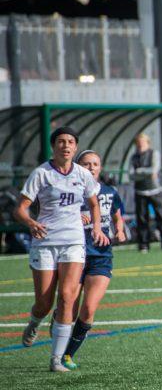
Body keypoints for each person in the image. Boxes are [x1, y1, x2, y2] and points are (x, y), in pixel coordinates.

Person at [14, 127, 108, 372]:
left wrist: (97, 227)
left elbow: (93, 203)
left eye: (70, 142)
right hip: (45, 243)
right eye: (60, 142)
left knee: (67, 297)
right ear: (53, 146)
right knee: (44, 304)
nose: (65, 145)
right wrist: (32, 223)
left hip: (74, 242)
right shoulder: (41, 174)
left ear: (75, 148)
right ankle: (35, 322)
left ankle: (56, 359)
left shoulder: (83, 174)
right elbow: (20, 209)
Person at [61, 150, 127, 370]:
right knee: (69, 306)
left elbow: (117, 212)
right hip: (74, 254)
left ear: (100, 168)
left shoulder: (109, 192)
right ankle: (58, 323)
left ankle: (68, 355)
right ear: (78, 166)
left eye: (95, 164)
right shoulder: (69, 192)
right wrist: (73, 216)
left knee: (88, 309)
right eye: (86, 164)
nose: (91, 167)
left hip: (101, 255)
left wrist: (119, 229)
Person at [129, 133, 162, 252]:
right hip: (140, 191)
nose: (140, 144)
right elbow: (131, 175)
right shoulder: (133, 157)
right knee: (142, 219)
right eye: (138, 142)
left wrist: (140, 171)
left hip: (156, 190)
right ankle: (143, 245)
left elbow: (154, 170)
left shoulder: (154, 153)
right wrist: (146, 173)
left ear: (147, 142)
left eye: (143, 141)